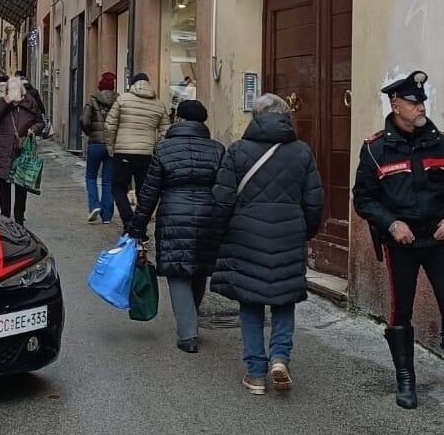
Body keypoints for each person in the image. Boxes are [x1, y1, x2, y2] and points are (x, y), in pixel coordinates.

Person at [352, 70, 444, 413]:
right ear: (395, 104)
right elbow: (364, 199)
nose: (421, 107)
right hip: (401, 242)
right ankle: (405, 381)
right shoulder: (376, 149)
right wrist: (391, 223)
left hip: (438, 238)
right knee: (401, 310)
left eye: (422, 101)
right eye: (414, 102)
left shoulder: (441, 143)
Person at [211, 93, 323, 395]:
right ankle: (279, 357)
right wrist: (305, 231)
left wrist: (221, 234)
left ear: (255, 117)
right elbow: (314, 200)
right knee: (284, 300)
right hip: (289, 233)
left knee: (250, 303)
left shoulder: (237, 151)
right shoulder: (302, 152)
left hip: (246, 235)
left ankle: (256, 373)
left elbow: (222, 201)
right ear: (286, 117)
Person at [127, 100, 225, 353]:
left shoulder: (163, 149)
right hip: (208, 215)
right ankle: (190, 319)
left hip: (173, 215)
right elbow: (225, 190)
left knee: (178, 271)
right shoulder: (217, 149)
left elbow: (149, 192)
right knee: (199, 268)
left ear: (178, 119)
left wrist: (137, 227)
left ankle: (187, 333)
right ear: (203, 122)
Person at [104, 72, 169, 224]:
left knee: (118, 188)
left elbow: (109, 126)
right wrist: (156, 149)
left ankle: (128, 222)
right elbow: (165, 131)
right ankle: (140, 226)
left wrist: (111, 147)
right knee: (144, 192)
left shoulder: (122, 99)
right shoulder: (158, 104)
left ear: (133, 84)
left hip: (123, 152)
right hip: (146, 154)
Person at [0, 77, 43, 225]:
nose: (13, 92)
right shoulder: (3, 104)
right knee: (4, 185)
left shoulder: (30, 104)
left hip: (22, 151)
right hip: (4, 149)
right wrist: (5, 101)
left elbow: (41, 122)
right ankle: (5, 216)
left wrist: (33, 129)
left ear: (21, 90)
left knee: (21, 186)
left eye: (15, 89)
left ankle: (19, 218)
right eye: (10, 89)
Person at [79, 72, 118, 224]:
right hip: (111, 145)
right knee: (108, 180)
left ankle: (94, 205)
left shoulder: (92, 101)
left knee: (91, 177)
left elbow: (84, 120)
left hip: (95, 143)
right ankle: (107, 216)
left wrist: (89, 133)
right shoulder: (118, 101)